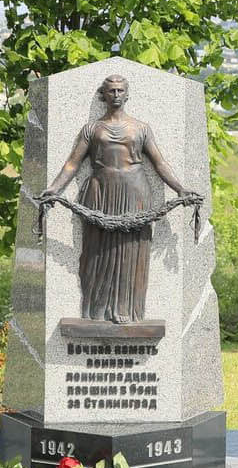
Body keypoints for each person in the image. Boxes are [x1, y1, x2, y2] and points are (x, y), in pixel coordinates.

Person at [38, 74, 195, 323]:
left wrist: (180, 189)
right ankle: (97, 311)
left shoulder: (141, 128)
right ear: (104, 95)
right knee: (97, 251)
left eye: (121, 90)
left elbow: (160, 163)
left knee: (129, 250)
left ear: (127, 93)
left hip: (134, 192)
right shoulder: (92, 129)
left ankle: (125, 309)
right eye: (111, 91)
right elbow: (72, 164)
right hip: (100, 192)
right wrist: (54, 189)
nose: (116, 95)